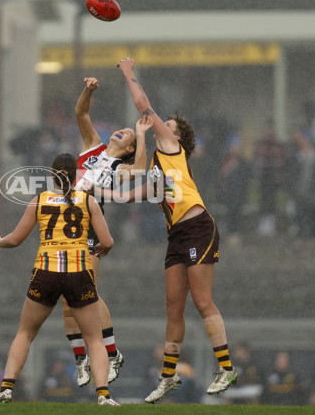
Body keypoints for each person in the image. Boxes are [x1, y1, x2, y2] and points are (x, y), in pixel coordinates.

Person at [116, 57, 237, 403]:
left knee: (202, 301)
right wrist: (93, 189)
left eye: (167, 125)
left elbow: (143, 104)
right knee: (173, 306)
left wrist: (128, 72)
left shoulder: (172, 147)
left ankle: (226, 367)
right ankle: (168, 376)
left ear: (177, 135)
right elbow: (128, 191)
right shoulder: (157, 166)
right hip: (177, 238)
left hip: (198, 227)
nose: (161, 126)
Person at [0, 153, 119, 406]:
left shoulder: (40, 200)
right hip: (78, 272)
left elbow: (15, 239)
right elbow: (108, 240)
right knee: (94, 338)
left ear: (52, 175)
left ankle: (6, 389)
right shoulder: (87, 201)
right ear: (75, 176)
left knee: (25, 333)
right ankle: (103, 395)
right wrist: (106, 248)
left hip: (46, 272)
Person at [64, 77, 150, 388]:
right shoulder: (93, 147)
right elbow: (81, 115)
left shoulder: (120, 169)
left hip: (87, 229)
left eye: (128, 134)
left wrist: (140, 134)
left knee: (87, 293)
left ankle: (112, 354)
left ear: (129, 148)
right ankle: (80, 361)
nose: (123, 130)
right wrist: (87, 90)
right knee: (66, 302)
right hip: (63, 228)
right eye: (126, 129)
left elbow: (140, 171)